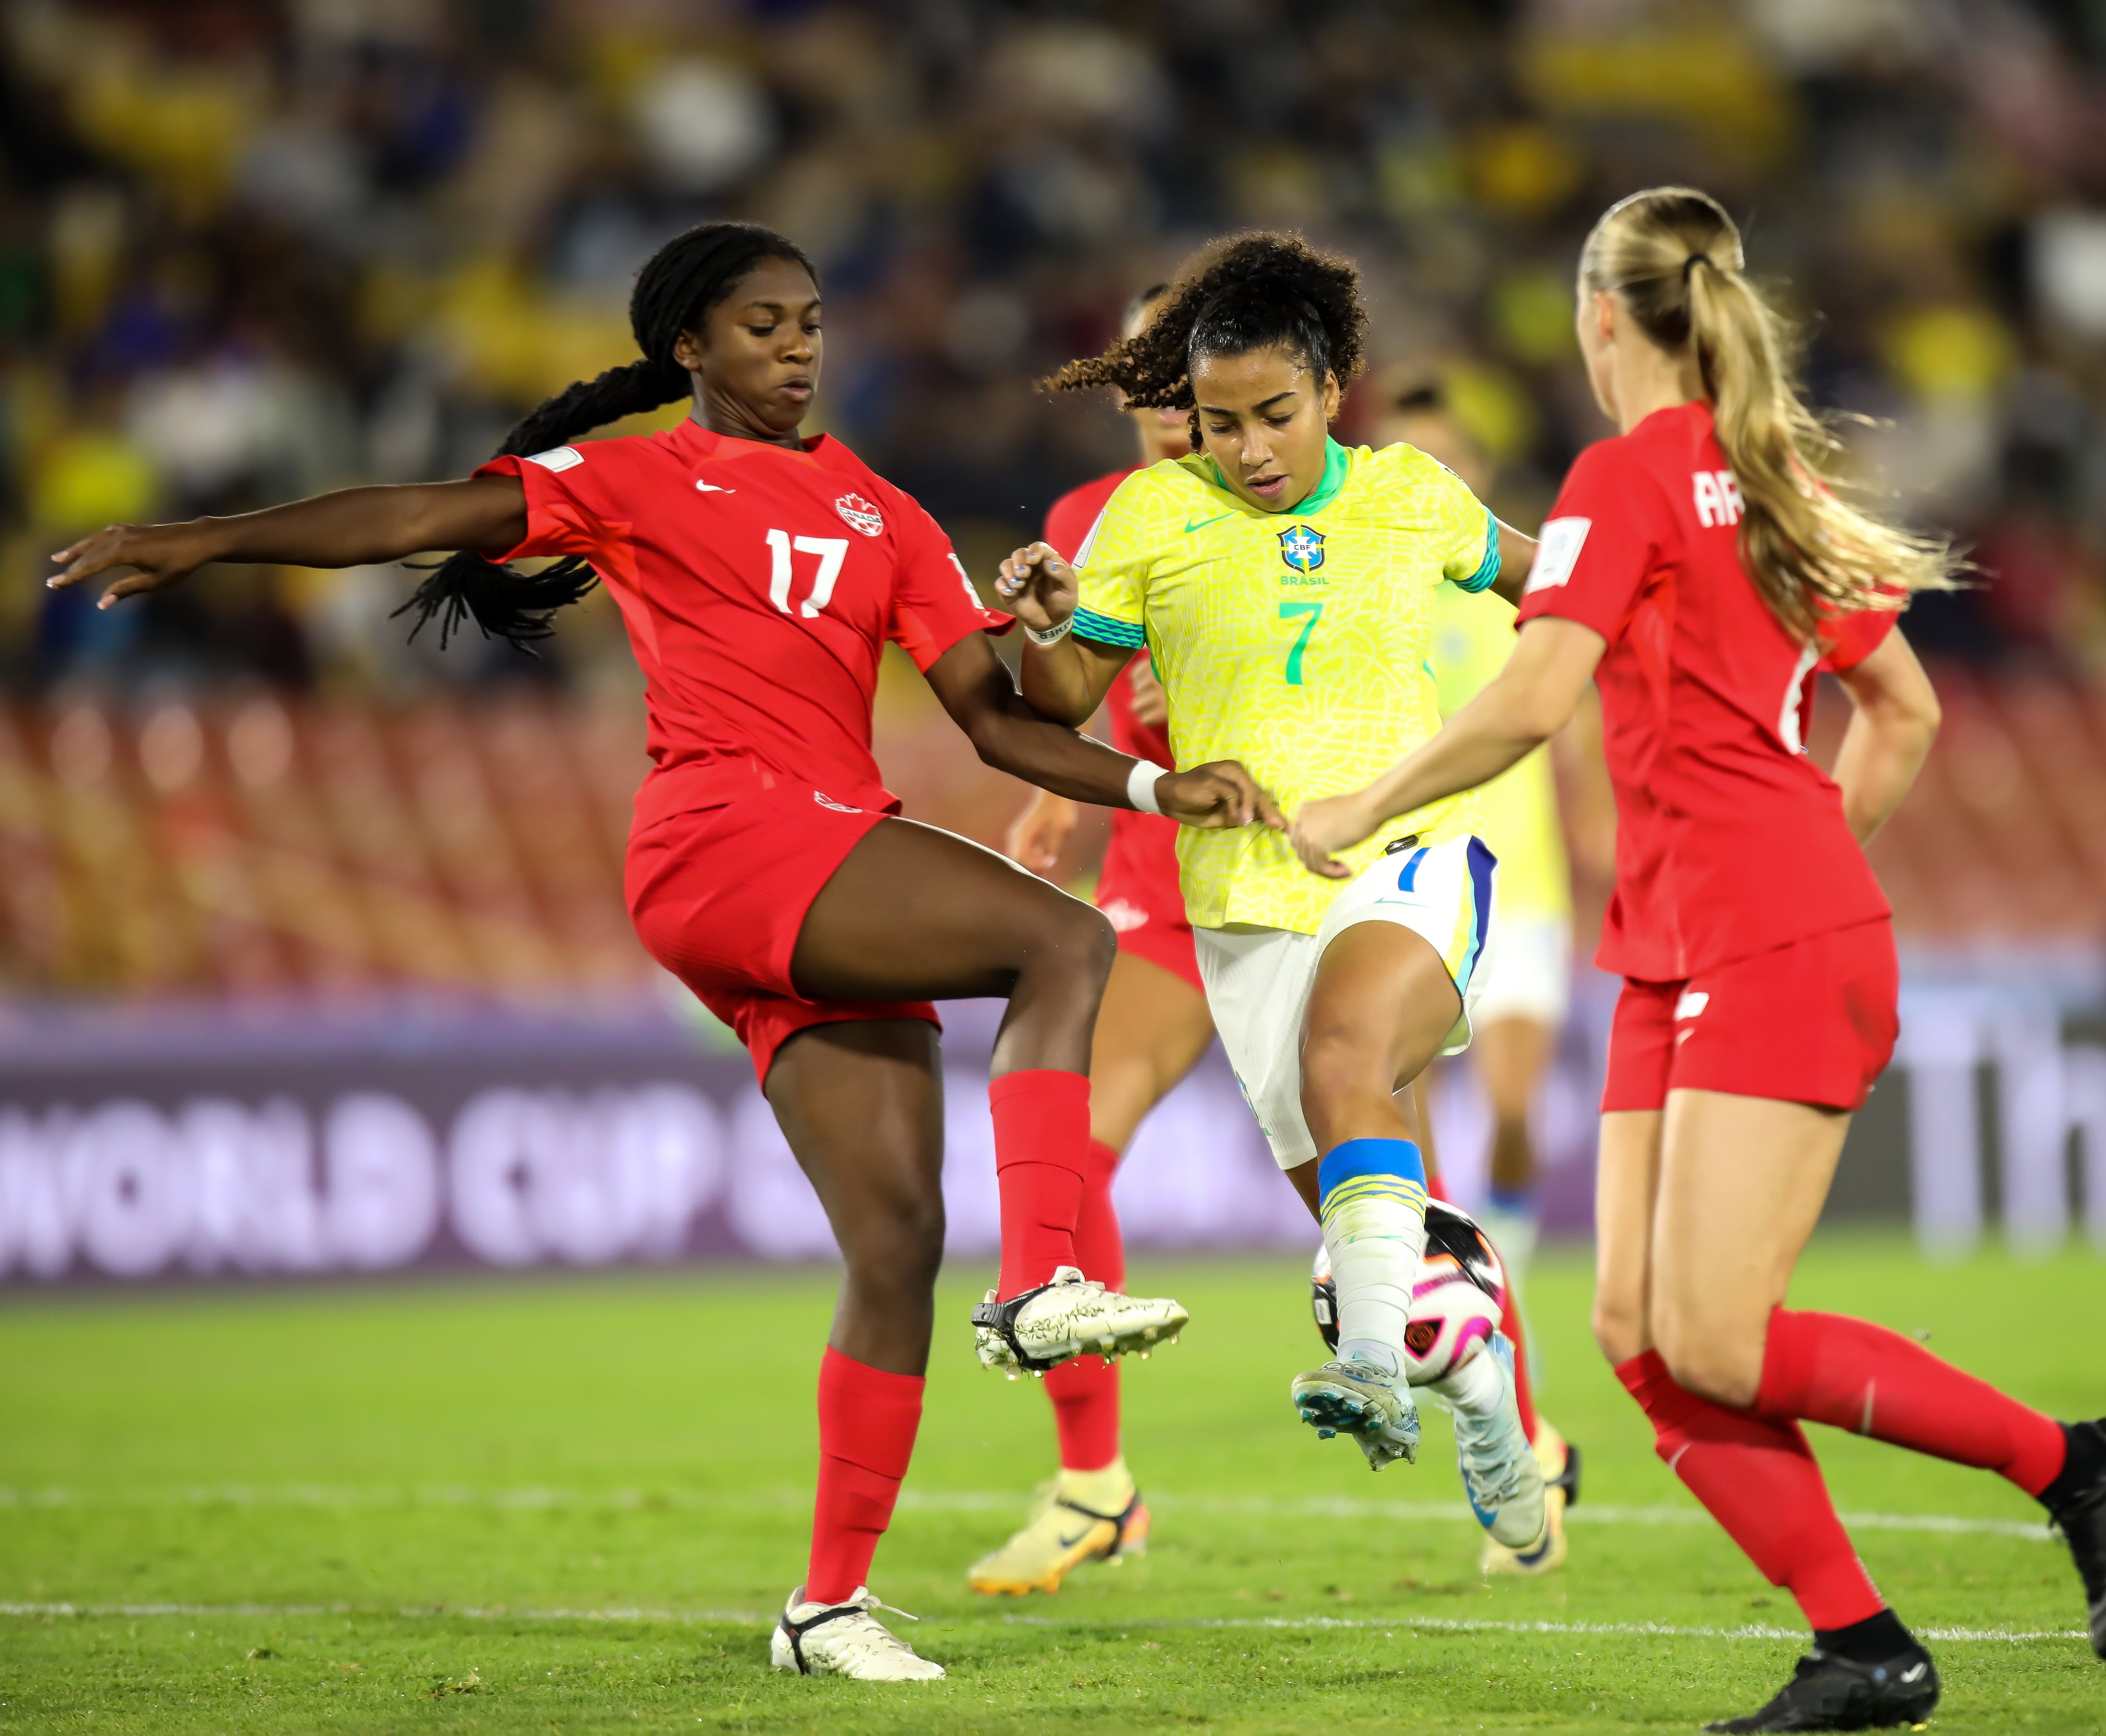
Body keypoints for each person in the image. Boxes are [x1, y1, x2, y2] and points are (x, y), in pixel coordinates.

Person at [46, 221, 1276, 1684]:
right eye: (763, 325)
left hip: (806, 876)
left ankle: (827, 1605)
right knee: (1062, 939)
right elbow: (420, 512)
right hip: (730, 838)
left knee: (895, 1243)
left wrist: (1149, 779)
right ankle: (1039, 1282)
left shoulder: (885, 514)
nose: (798, 345)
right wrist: (207, 539)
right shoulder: (635, 477)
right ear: (689, 345)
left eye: (809, 320)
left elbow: (1006, 723)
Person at [1284, 187, 2106, 1733]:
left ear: (1598, 316)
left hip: (1757, 937)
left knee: (1712, 1335)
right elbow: (1904, 710)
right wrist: (1815, 854)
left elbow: (1535, 698)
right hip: (1684, 943)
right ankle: (1863, 1645)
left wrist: (1360, 806)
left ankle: (2075, 1462)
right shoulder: (1774, 478)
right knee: (1639, 1338)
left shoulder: (1623, 476)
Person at [994, 230, 1558, 1565]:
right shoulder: (1146, 519)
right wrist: (1047, 621)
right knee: (1379, 1225)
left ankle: (1368, 1371)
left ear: (1332, 389)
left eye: (1275, 415)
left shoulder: (1409, 493)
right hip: (1235, 904)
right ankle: (1482, 1391)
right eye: (1219, 421)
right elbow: (1059, 702)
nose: (1247, 448)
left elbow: (1563, 589)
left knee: (1348, 1055)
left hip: (1405, 859)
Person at [971, 283, 1204, 1595]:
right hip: (1166, 884)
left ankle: (1516, 1441)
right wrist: (1060, 789)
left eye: (1194, 378)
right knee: (1071, 1156)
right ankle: (1094, 1484)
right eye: (1151, 379)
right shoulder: (1084, 522)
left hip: (1316, 878)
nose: (1175, 406)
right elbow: (1074, 696)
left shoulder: (1311, 502)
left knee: (1392, 1195)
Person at [1376, 377, 1587, 1573]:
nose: (1431, 477)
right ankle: (1496, 1338)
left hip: (1527, 888)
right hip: (1420, 887)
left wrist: (1614, 833)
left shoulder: (1520, 590)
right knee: (1421, 1155)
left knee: (1508, 1110)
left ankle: (1499, 1270)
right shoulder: (1372, 587)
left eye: (1446, 458)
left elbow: (1581, 727)